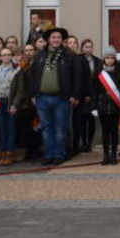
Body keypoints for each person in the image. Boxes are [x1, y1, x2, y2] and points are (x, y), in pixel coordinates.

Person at [27, 27, 82, 167]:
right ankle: (49, 154)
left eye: (58, 37)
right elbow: (32, 76)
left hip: (62, 99)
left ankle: (59, 154)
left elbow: (77, 77)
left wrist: (74, 95)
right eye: (53, 37)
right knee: (46, 128)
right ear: (48, 40)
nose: (56, 40)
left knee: (60, 128)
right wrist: (33, 94)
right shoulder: (40, 56)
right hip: (42, 99)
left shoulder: (70, 56)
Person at [93, 47, 120, 166]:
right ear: (103, 59)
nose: (110, 60)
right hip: (102, 106)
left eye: (112, 58)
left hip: (115, 106)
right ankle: (106, 155)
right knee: (105, 132)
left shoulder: (119, 72)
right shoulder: (98, 73)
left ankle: (113, 155)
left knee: (114, 131)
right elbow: (94, 91)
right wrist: (94, 107)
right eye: (107, 58)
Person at [0, 47, 20, 165]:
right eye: (3, 55)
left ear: (12, 56)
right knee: (1, 128)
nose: (6, 57)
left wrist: (15, 104)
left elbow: (20, 89)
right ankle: (2, 152)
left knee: (10, 128)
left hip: (10, 101)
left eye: (9, 54)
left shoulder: (17, 70)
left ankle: (9, 153)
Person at [77, 38, 100, 153]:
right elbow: (79, 79)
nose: (88, 49)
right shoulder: (78, 60)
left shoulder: (97, 61)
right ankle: (83, 142)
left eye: (90, 47)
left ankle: (89, 142)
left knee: (91, 120)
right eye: (86, 47)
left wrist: (92, 94)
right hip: (82, 95)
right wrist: (85, 94)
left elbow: (98, 80)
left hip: (94, 94)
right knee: (82, 120)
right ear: (82, 48)